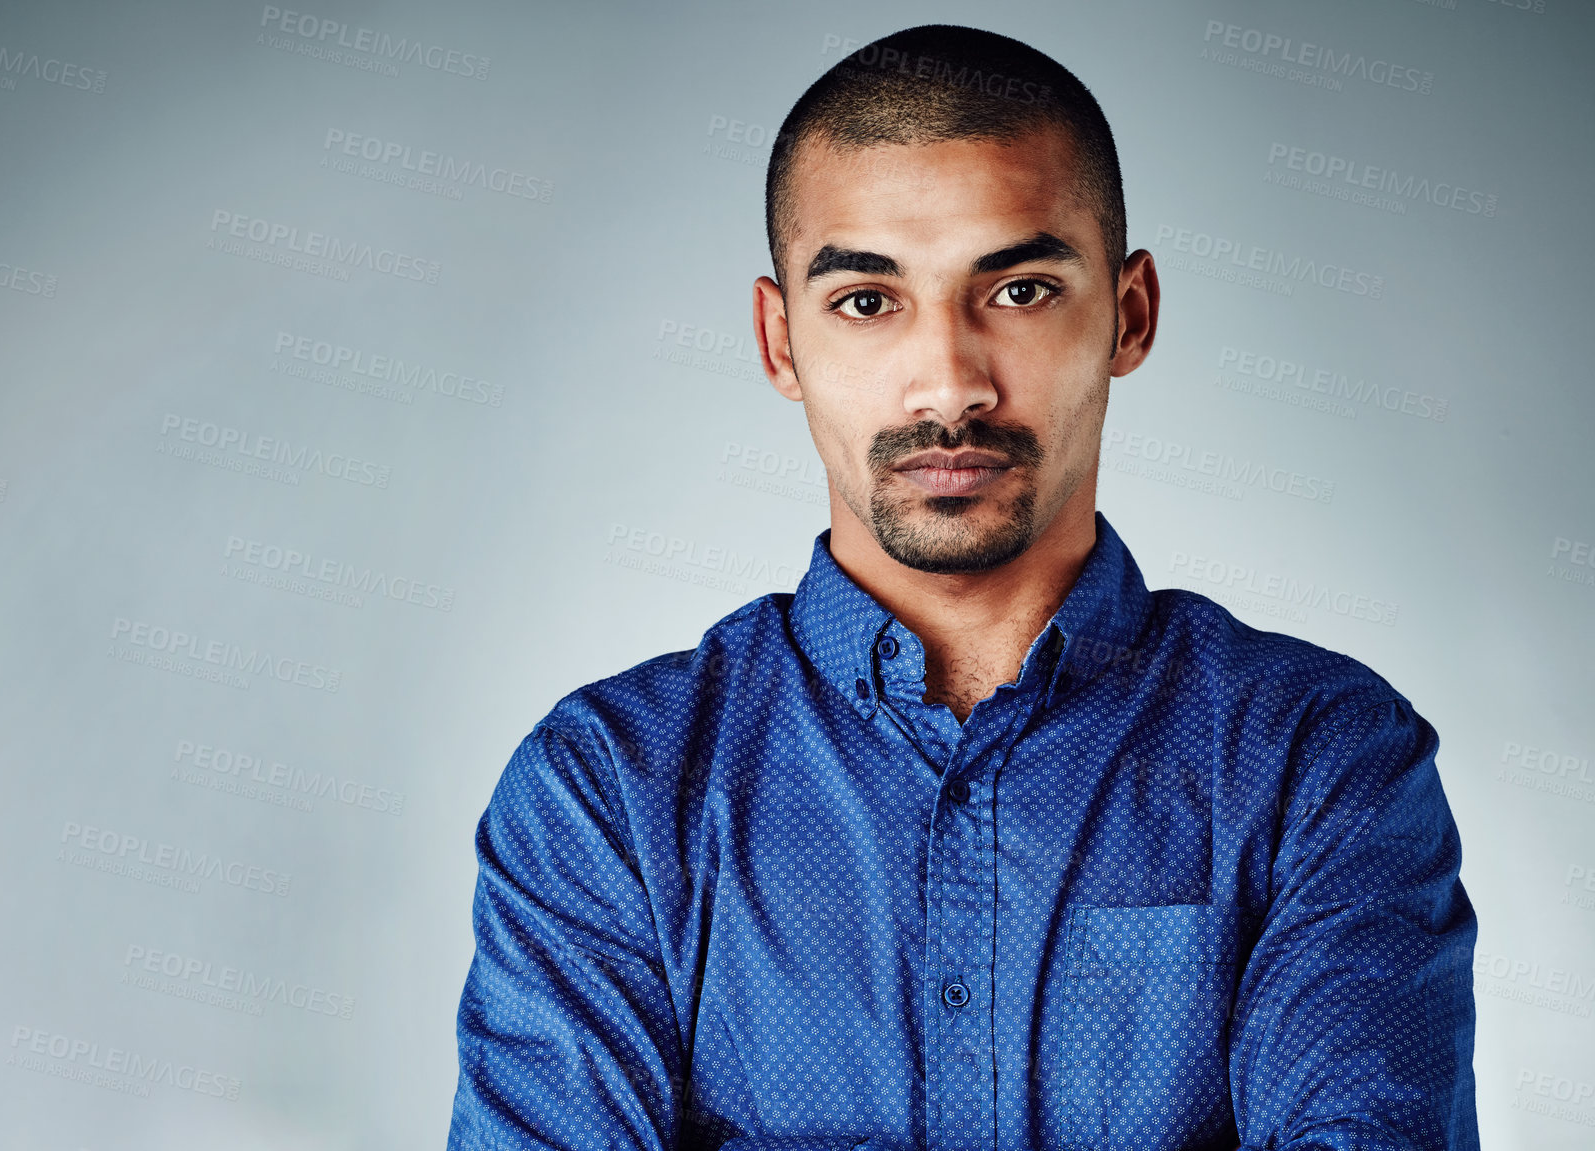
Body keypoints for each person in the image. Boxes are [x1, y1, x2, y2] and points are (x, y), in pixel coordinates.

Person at [447, 24, 1478, 1151]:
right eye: (866, 301)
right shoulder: (611, 790)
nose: (948, 381)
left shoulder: (1314, 757)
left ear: (1127, 314)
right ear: (778, 338)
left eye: (1020, 289)